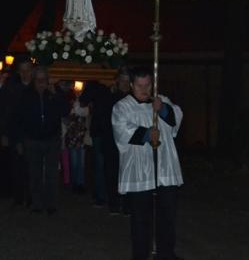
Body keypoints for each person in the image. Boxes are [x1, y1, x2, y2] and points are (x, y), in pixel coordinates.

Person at [112, 66, 184, 260]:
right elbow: (121, 131)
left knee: (167, 215)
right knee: (141, 218)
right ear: (131, 85)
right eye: (139, 86)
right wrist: (145, 134)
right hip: (139, 170)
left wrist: (163, 110)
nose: (144, 90)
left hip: (164, 167)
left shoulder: (161, 101)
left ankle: (165, 254)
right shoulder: (122, 107)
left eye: (148, 85)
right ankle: (141, 255)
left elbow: (177, 118)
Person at [18, 66, 70, 215]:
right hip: (32, 139)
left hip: (51, 139)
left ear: (48, 80)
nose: (41, 83)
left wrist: (56, 95)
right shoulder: (26, 95)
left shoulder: (54, 93)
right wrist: (21, 139)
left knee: (52, 173)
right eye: (38, 79)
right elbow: (20, 117)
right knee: (34, 173)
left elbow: (65, 110)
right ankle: (37, 203)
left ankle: (51, 203)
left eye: (44, 79)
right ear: (34, 80)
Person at [0, 58, 34, 205]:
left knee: (32, 167)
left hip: (33, 134)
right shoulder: (11, 87)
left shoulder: (37, 86)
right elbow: (3, 110)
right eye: (22, 71)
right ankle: (18, 197)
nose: (25, 74)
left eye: (28, 70)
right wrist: (4, 133)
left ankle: (31, 197)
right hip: (16, 133)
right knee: (17, 166)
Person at [80, 69, 130, 213]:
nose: (125, 84)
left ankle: (125, 203)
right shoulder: (108, 96)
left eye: (127, 81)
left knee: (125, 172)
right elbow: (103, 119)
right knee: (109, 171)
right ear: (117, 81)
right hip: (110, 140)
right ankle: (111, 202)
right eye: (123, 81)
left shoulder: (132, 98)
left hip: (128, 142)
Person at [63, 81, 89, 194]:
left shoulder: (83, 102)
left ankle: (80, 183)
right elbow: (69, 114)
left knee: (81, 162)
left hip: (81, 136)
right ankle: (74, 183)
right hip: (72, 136)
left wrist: (78, 103)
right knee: (73, 162)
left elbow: (84, 112)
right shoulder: (69, 100)